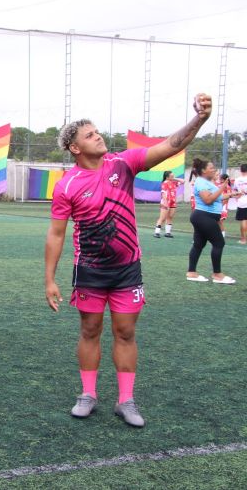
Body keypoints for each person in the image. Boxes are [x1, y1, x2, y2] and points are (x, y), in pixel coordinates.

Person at [45, 93, 212, 428]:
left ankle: (126, 400)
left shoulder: (124, 163)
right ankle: (88, 394)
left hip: (127, 270)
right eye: (89, 135)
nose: (98, 136)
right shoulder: (67, 185)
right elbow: (56, 234)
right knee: (89, 330)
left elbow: (170, 145)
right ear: (75, 148)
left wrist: (200, 119)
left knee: (125, 332)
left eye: (97, 131)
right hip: (90, 269)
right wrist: (49, 279)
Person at [186, 159, 241, 284]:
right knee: (219, 243)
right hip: (204, 217)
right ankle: (217, 275)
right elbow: (208, 200)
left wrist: (232, 195)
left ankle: (191, 272)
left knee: (198, 245)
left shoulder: (206, 182)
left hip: (203, 217)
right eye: (211, 168)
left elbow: (218, 197)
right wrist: (222, 187)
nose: (214, 170)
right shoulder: (200, 182)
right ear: (204, 170)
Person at [153, 171, 184, 238]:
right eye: (171, 176)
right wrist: (165, 202)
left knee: (170, 217)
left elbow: (183, 181)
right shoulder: (165, 183)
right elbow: (163, 193)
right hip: (166, 202)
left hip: (173, 202)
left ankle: (168, 233)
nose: (173, 177)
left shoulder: (173, 183)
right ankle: (157, 232)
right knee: (162, 218)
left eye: (173, 175)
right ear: (167, 177)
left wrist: (174, 178)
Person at [232, 164, 247, 244]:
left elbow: (234, 191)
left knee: (243, 220)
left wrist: (237, 196)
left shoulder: (237, 180)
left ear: (241, 170)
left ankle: (243, 239)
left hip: (242, 202)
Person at [215, 173, 231, 237]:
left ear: (224, 179)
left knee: (220, 220)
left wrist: (222, 204)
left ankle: (222, 234)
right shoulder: (218, 185)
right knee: (216, 220)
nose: (219, 179)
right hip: (218, 204)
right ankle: (217, 233)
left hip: (223, 205)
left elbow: (228, 196)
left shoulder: (227, 187)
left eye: (221, 178)